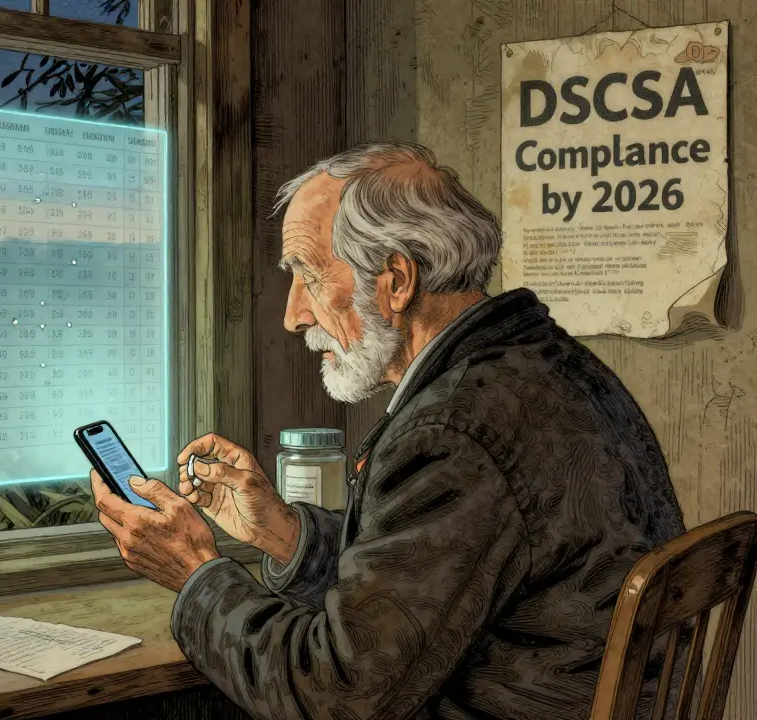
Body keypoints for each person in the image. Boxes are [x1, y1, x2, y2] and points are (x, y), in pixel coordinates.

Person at [89, 141, 687, 719]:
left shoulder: (452, 433)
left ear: (396, 281)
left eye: (309, 276)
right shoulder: (541, 364)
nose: (294, 316)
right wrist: (283, 532)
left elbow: (336, 693)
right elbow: (423, 579)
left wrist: (196, 571)